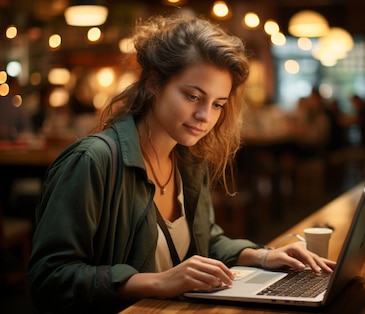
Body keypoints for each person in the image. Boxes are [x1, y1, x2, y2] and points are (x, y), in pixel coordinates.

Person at [27, 13, 335, 313]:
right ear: (153, 83)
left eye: (217, 104)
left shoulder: (188, 159)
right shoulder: (93, 161)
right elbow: (49, 280)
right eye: (192, 96)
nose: (206, 116)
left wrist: (263, 257)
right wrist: (156, 282)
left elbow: (206, 239)